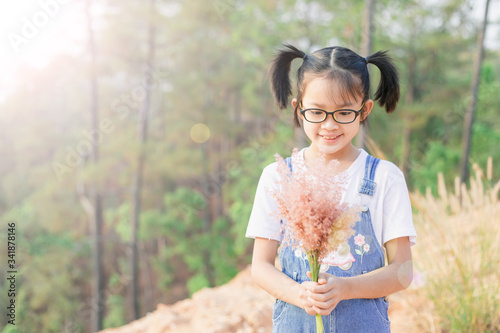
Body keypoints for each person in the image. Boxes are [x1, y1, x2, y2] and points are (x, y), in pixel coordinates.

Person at [245, 44, 417, 332]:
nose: (329, 124)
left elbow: (402, 271)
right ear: (298, 109)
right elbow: (260, 267)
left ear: (365, 110)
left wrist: (345, 288)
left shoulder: (385, 177)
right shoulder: (278, 176)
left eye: (344, 112)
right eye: (317, 112)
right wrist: (300, 295)